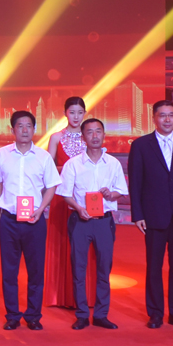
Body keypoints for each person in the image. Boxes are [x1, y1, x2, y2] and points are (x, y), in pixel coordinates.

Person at [128, 99, 173, 329]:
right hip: (153, 216)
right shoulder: (141, 145)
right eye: (162, 115)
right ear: (154, 118)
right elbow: (135, 182)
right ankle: (155, 313)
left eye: (171, 115)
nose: (167, 119)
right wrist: (137, 214)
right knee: (154, 267)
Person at [0, 110, 60, 331]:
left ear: (34, 129)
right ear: (12, 129)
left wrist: (41, 209)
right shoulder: (2, 154)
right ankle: (12, 315)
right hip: (9, 220)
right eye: (20, 126)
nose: (24, 130)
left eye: (29, 125)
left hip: (34, 221)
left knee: (36, 270)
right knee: (9, 271)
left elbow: (52, 186)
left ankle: (33, 316)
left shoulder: (43, 157)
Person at [57, 118, 126, 330]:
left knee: (104, 268)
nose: (94, 136)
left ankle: (101, 314)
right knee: (79, 268)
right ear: (83, 137)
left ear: (104, 135)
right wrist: (79, 208)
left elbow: (121, 191)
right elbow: (65, 194)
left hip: (104, 222)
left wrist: (110, 194)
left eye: (98, 131)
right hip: (80, 221)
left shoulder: (113, 163)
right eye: (90, 132)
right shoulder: (73, 164)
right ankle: (82, 315)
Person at [45, 96, 91, 309]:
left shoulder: (89, 136)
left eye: (80, 112)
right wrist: (68, 170)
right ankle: (60, 295)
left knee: (85, 243)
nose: (76, 116)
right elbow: (48, 168)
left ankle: (84, 294)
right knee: (62, 240)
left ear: (85, 114)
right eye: (72, 112)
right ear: (65, 113)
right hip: (62, 195)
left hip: (85, 194)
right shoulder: (56, 137)